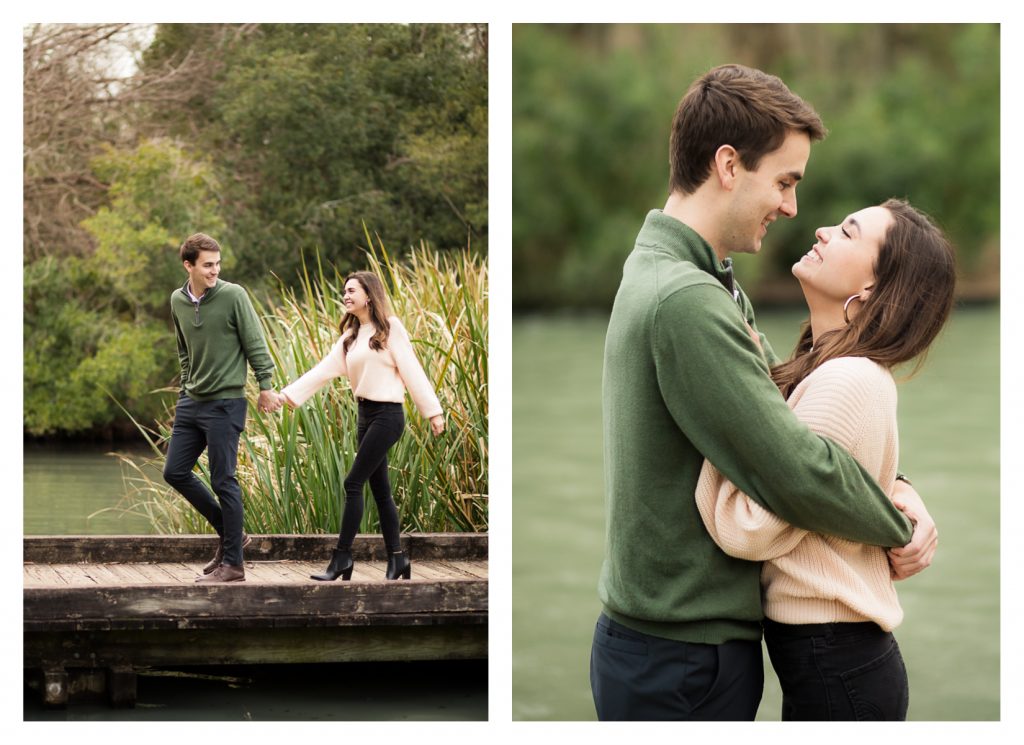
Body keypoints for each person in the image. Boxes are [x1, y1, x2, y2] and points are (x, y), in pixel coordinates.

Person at [590, 64, 937, 721]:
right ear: (728, 164)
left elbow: (783, 418)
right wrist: (898, 526)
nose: (792, 208)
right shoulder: (687, 298)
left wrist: (899, 481)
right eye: (784, 181)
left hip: (674, 647)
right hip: (680, 651)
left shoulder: (697, 278)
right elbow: (797, 467)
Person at [695, 199, 956, 720]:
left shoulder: (845, 381)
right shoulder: (832, 372)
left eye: (847, 232)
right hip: (834, 660)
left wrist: (715, 420)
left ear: (871, 293)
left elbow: (750, 531)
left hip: (837, 662)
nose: (821, 229)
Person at [272, 271, 445, 581]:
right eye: (344, 291)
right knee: (381, 491)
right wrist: (286, 395)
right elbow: (320, 372)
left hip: (388, 416)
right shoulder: (350, 338)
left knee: (353, 483)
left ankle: (341, 558)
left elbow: (412, 371)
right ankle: (397, 559)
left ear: (369, 294)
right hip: (364, 416)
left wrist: (433, 412)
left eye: (352, 290)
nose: (346, 295)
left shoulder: (390, 329)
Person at [163, 232, 281, 584]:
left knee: (223, 479)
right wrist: (186, 384)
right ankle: (233, 535)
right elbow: (183, 348)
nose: (215, 270)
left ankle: (234, 565)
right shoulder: (177, 300)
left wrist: (265, 385)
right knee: (175, 472)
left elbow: (255, 342)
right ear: (189, 266)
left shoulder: (233, 296)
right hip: (191, 402)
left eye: (218, 264)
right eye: (208, 265)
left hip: (225, 404)